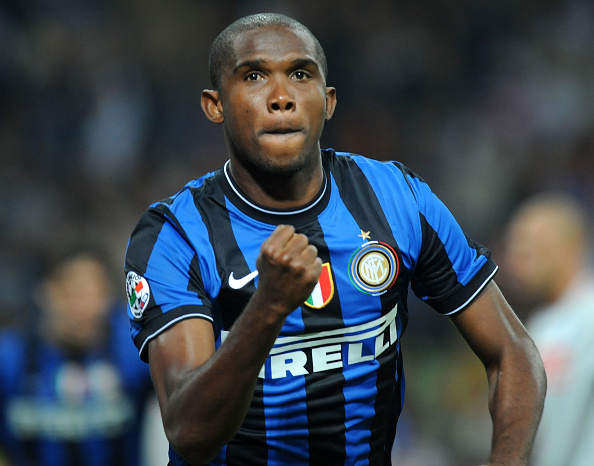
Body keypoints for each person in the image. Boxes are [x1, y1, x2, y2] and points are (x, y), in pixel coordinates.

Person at [124, 13, 546, 466]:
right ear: (215, 105)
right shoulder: (175, 235)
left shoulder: (396, 199)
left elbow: (513, 353)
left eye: (300, 74)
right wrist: (268, 307)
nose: (281, 98)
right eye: (254, 76)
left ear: (328, 102)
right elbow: (189, 432)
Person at [0, 248, 154, 466]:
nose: (85, 306)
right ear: (45, 292)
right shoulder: (10, 358)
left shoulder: (135, 352)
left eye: (96, 294)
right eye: (75, 292)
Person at [502, 192, 594, 466]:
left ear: (572, 245)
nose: (520, 253)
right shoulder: (544, 323)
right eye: (516, 243)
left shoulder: (588, 315)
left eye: (534, 242)